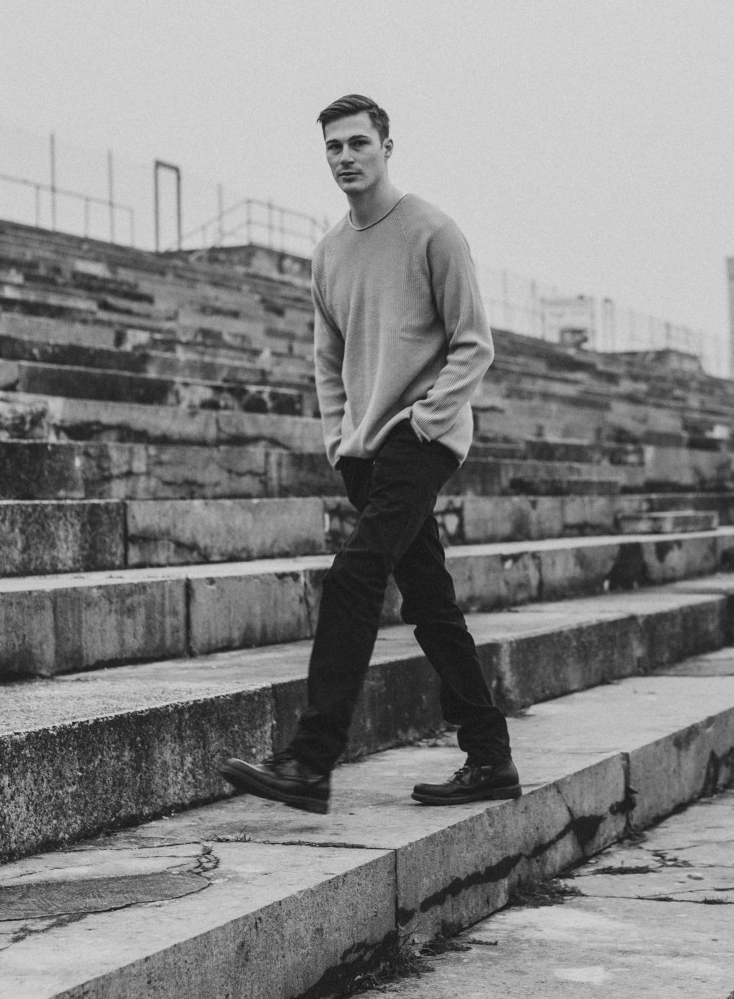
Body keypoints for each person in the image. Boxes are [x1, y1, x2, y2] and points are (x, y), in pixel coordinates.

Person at [218, 94, 519, 815]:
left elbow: (474, 344)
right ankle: (490, 757)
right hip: (364, 451)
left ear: (387, 146)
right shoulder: (329, 253)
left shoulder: (432, 232)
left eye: (358, 142)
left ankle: (310, 760)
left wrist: (429, 421)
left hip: (420, 438)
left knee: (355, 577)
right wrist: (339, 441)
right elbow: (327, 361)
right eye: (334, 147)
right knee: (431, 603)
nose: (346, 157)